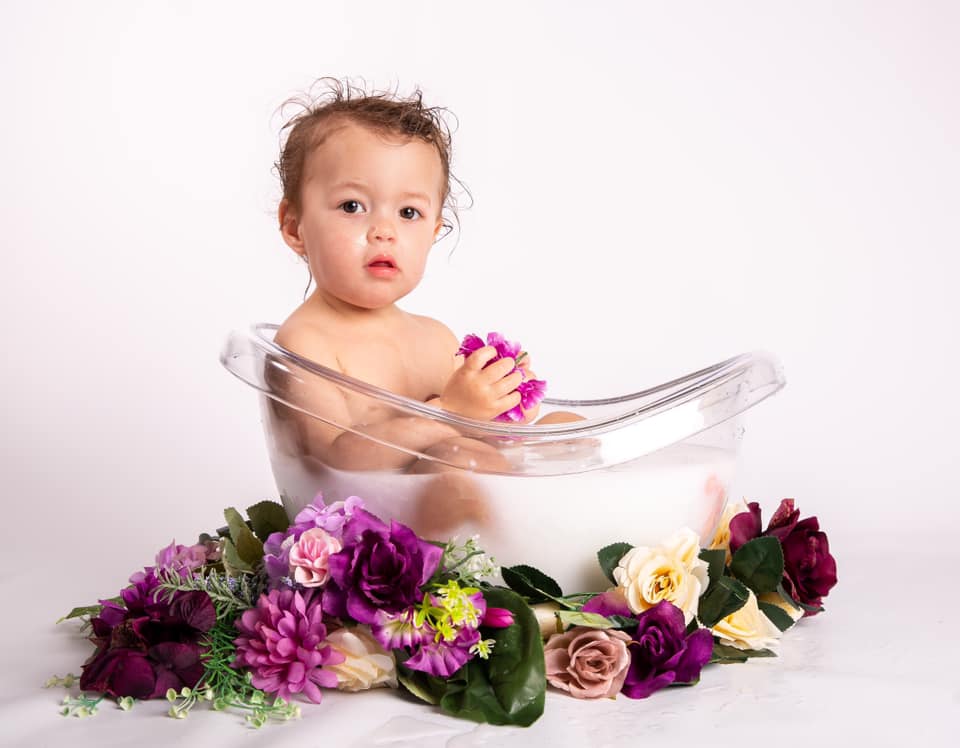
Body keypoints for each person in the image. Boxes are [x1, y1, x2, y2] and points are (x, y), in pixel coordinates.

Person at [268, 79, 580, 533]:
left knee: (566, 428)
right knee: (459, 459)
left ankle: (566, 543)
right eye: (352, 206)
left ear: (434, 231)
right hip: (383, 537)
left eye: (408, 213)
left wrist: (497, 405)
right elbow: (334, 463)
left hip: (476, 497)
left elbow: (471, 434)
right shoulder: (305, 343)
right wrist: (451, 410)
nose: (383, 230)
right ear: (295, 226)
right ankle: (513, 549)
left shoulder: (434, 337)